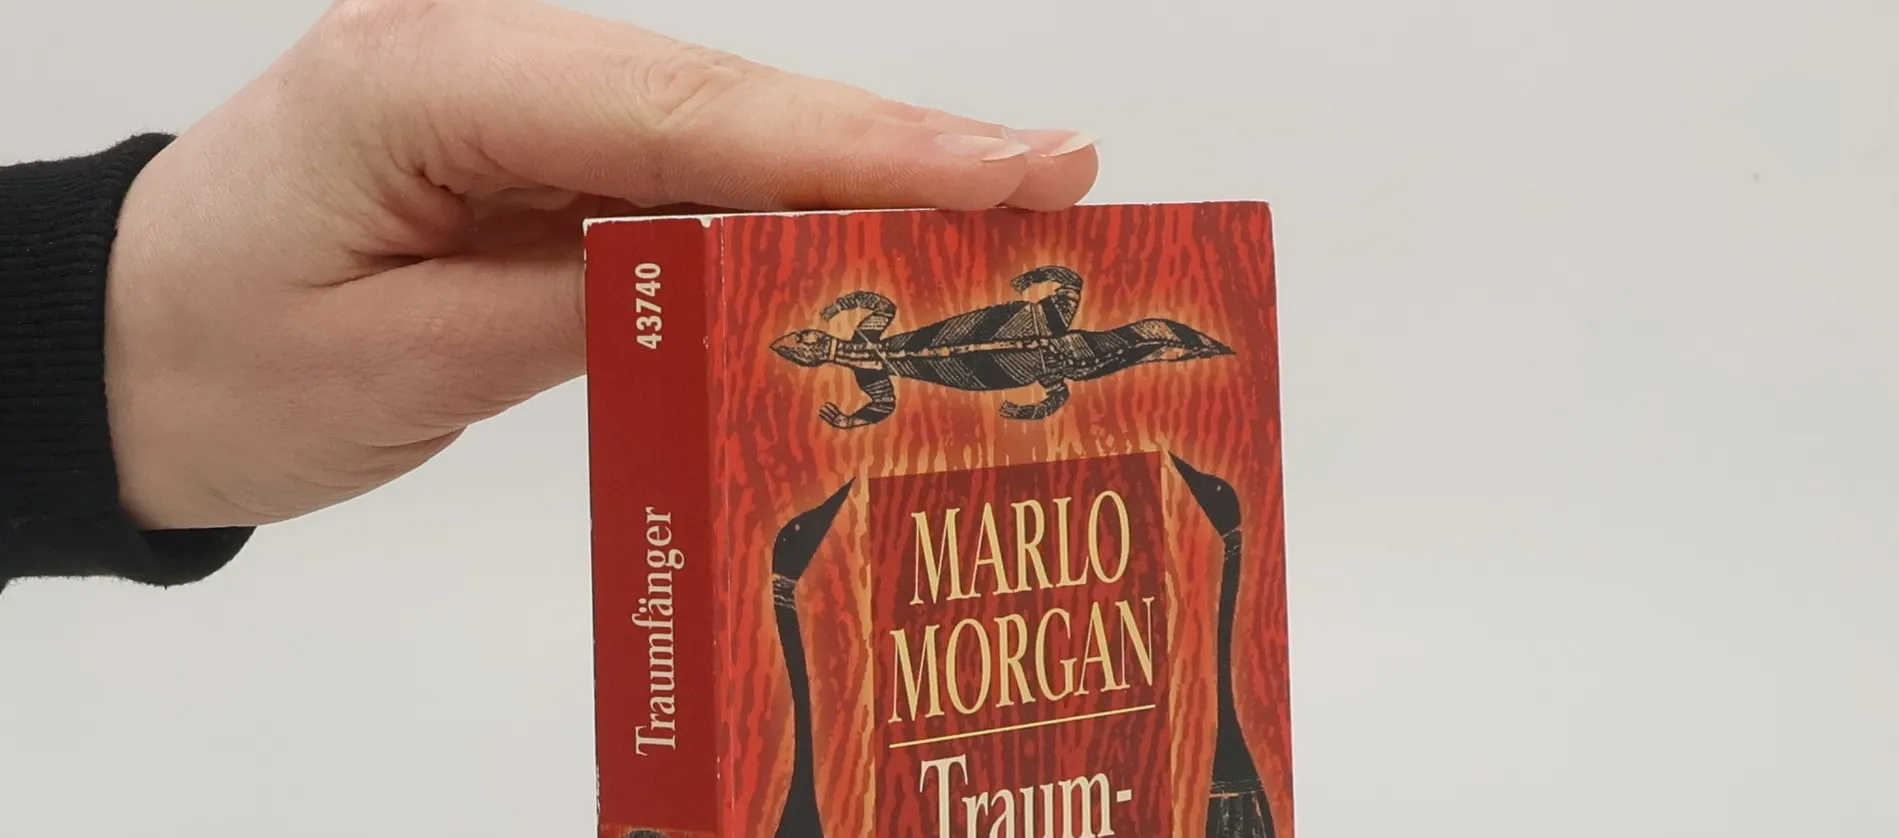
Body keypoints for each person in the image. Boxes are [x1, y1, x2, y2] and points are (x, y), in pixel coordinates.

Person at [0, 0, 1098, 592]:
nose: (820, 350)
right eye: (823, 349)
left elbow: (875, 348)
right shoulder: (862, 349)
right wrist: (112, 338)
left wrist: (109, 326)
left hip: (985, 343)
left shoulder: (866, 343)